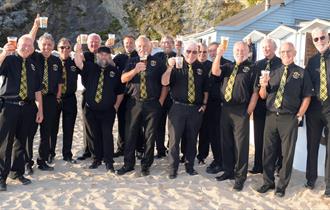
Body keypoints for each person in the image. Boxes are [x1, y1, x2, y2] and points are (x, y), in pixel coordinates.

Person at [256, 42, 313, 197]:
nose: (285, 54)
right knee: (267, 152)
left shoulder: (302, 73)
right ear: (279, 54)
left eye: (288, 51)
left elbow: (307, 97)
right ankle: (268, 182)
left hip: (289, 118)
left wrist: (299, 116)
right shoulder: (272, 71)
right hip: (271, 116)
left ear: (294, 52)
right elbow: (262, 96)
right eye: (282, 52)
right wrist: (263, 85)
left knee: (287, 154)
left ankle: (281, 186)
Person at [116, 36, 168, 176]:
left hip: (152, 103)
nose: (142, 49)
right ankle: (128, 164)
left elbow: (165, 83)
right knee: (130, 134)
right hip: (134, 103)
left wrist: (161, 101)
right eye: (139, 46)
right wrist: (135, 71)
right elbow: (122, 79)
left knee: (150, 136)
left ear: (150, 47)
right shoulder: (132, 61)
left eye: (145, 46)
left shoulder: (158, 62)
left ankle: (146, 165)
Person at [212, 41, 259, 191]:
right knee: (226, 142)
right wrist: (218, 55)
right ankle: (228, 171)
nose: (240, 52)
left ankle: (240, 177)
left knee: (241, 146)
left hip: (241, 111)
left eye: (243, 50)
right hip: (225, 109)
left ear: (248, 52)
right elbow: (215, 72)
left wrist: (248, 112)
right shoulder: (227, 67)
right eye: (237, 50)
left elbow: (255, 93)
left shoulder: (252, 68)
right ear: (233, 52)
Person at [0, 34, 43, 191]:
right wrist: (4, 53)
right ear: (17, 45)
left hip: (28, 107)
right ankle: (1, 177)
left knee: (21, 142)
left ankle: (16, 172)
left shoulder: (33, 64)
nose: (27, 48)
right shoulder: (9, 59)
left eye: (30, 45)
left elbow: (38, 89)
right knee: (5, 143)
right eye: (24, 45)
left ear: (33, 48)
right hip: (9, 106)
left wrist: (40, 110)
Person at [162, 41, 209, 179]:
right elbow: (164, 82)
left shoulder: (201, 68)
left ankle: (190, 166)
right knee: (175, 140)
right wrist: (169, 67)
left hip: (195, 109)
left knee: (192, 139)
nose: (191, 54)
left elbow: (205, 89)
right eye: (188, 51)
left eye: (195, 52)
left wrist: (204, 104)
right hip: (177, 107)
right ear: (183, 51)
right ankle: (173, 168)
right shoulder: (176, 65)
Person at [75, 44, 124, 171]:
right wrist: (78, 49)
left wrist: (115, 107)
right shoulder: (90, 67)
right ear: (97, 55)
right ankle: (97, 159)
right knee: (95, 134)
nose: (104, 57)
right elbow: (78, 63)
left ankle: (109, 161)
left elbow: (120, 92)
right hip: (91, 109)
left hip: (108, 110)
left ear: (109, 57)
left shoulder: (115, 71)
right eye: (101, 54)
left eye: (106, 55)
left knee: (107, 134)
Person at [27, 25, 63, 171]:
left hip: (49, 99)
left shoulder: (56, 61)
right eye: (44, 44)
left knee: (46, 132)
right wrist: (35, 26)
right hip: (33, 99)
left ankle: (42, 160)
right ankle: (27, 162)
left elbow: (60, 81)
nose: (47, 47)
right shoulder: (34, 56)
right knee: (30, 131)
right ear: (39, 45)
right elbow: (29, 40)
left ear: (53, 46)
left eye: (49, 44)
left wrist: (58, 97)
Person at [197, 43, 231, 174]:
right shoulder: (208, 64)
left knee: (219, 136)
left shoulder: (227, 64)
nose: (211, 53)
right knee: (212, 135)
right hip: (210, 105)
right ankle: (217, 159)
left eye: (213, 50)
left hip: (220, 105)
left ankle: (220, 162)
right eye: (209, 51)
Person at [250, 38, 283, 174]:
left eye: (268, 47)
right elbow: (253, 86)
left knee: (274, 138)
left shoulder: (281, 63)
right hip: (260, 105)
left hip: (274, 106)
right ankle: (258, 165)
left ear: (274, 48)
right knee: (259, 136)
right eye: (264, 47)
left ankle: (276, 165)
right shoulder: (258, 64)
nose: (266, 49)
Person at [304, 27, 330, 197]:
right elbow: (305, 88)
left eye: (322, 37)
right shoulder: (311, 62)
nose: (319, 41)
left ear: (328, 38)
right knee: (312, 146)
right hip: (313, 111)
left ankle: (329, 185)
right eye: (316, 39)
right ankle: (310, 178)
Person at [112, 35, 144, 159]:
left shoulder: (140, 57)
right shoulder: (119, 57)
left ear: (134, 44)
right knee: (121, 122)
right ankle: (121, 148)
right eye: (126, 43)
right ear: (123, 44)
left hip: (135, 95)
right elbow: (111, 68)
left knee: (137, 123)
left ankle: (139, 148)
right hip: (121, 95)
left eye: (131, 43)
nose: (128, 45)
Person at [50, 38, 79, 164]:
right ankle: (50, 153)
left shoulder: (74, 63)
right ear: (57, 48)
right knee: (53, 128)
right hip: (54, 99)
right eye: (62, 47)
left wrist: (79, 52)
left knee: (69, 128)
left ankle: (67, 154)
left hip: (70, 98)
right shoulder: (52, 62)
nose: (65, 50)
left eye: (67, 47)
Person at [77, 33, 102, 161]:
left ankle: (98, 150)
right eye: (91, 42)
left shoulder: (103, 55)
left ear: (100, 43)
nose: (94, 44)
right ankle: (87, 150)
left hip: (102, 93)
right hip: (87, 93)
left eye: (96, 42)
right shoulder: (85, 56)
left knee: (99, 124)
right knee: (87, 124)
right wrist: (78, 47)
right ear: (88, 43)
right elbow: (78, 62)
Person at [154, 35, 177, 158]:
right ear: (160, 44)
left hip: (173, 96)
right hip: (159, 95)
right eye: (163, 42)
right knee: (159, 124)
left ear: (172, 44)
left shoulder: (179, 57)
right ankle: (160, 150)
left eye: (168, 42)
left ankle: (170, 147)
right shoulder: (157, 57)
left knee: (172, 125)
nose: (166, 44)